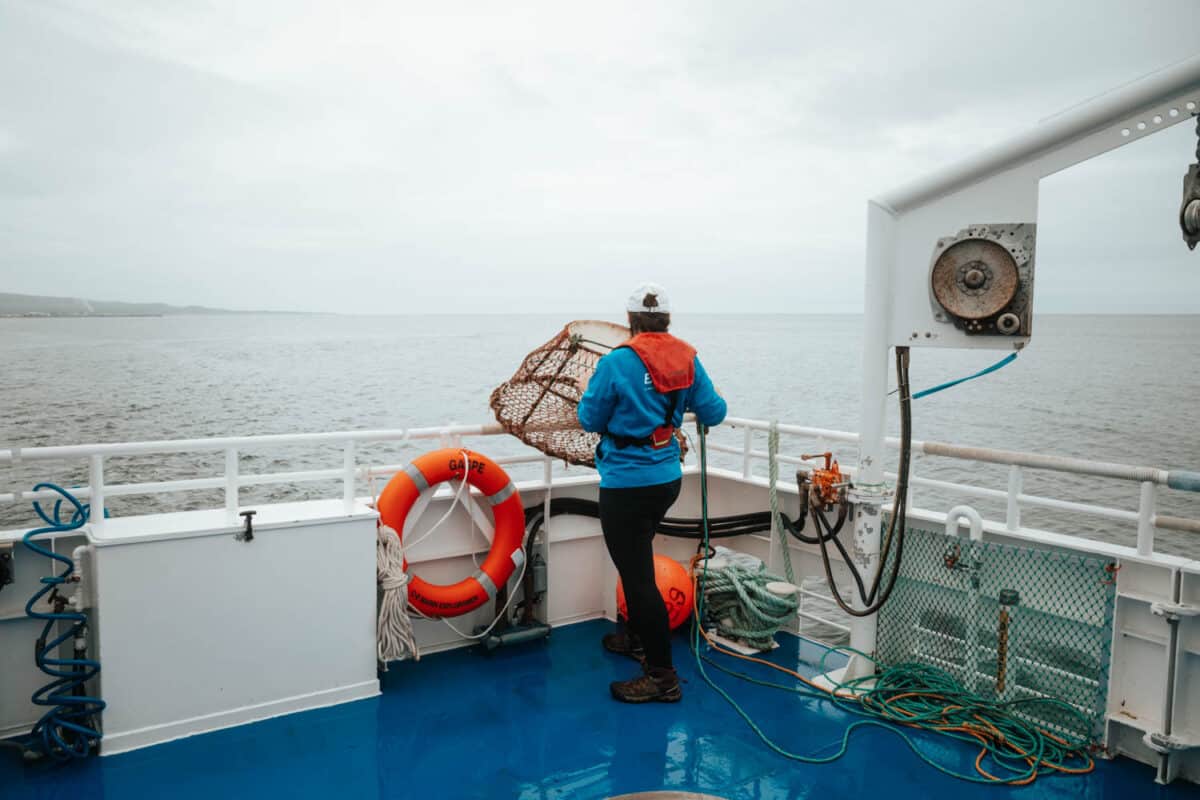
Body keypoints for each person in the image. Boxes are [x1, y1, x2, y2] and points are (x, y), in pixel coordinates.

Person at [577, 281, 727, 703]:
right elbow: (715, 410)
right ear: (667, 320)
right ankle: (636, 640)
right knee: (635, 563)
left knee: (639, 578)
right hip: (665, 479)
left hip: (626, 485)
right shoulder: (687, 358)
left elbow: (589, 419)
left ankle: (662, 677)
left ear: (630, 322)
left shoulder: (617, 362)